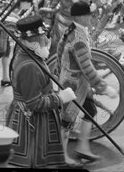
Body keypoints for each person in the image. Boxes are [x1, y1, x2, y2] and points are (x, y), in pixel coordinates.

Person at [6, 13, 75, 168]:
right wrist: (60, 98)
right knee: (34, 161)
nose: (46, 41)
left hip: (30, 116)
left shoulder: (28, 54)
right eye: (43, 38)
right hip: (31, 120)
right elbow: (33, 103)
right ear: (33, 41)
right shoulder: (29, 66)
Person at [58, 1, 118, 164]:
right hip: (74, 85)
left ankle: (83, 148)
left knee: (90, 111)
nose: (93, 17)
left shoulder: (73, 29)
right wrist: (104, 87)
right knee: (67, 121)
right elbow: (87, 67)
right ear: (81, 17)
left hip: (73, 81)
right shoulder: (79, 37)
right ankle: (62, 157)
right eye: (90, 15)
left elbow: (59, 52)